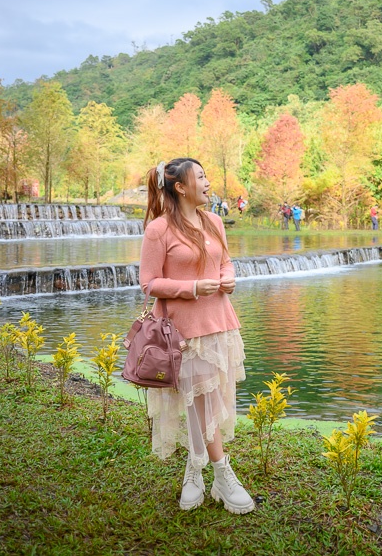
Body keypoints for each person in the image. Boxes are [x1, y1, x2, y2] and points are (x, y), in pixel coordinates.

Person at [139, 158, 255, 515]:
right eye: (201, 177)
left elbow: (225, 261)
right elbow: (149, 283)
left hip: (220, 323)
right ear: (181, 187)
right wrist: (191, 287)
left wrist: (229, 277)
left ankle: (195, 470)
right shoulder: (158, 230)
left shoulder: (214, 220)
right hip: (182, 331)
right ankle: (222, 474)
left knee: (208, 399)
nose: (208, 182)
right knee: (199, 400)